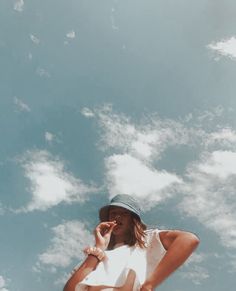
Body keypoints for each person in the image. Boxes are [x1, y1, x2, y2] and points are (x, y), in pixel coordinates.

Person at [63, 194, 200, 291]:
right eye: (113, 213)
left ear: (133, 220)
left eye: (124, 213)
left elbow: (188, 240)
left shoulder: (147, 241)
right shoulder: (95, 256)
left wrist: (149, 284)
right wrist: (99, 248)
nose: (117, 217)